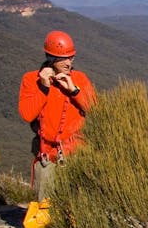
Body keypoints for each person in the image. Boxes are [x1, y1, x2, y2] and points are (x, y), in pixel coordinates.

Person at [18, 30, 96, 200]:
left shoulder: (79, 79)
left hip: (77, 155)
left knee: (77, 207)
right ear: (52, 59)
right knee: (46, 210)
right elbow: (27, 114)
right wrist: (44, 88)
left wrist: (74, 90)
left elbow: (95, 109)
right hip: (48, 157)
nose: (69, 63)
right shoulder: (31, 80)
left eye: (72, 58)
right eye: (65, 59)